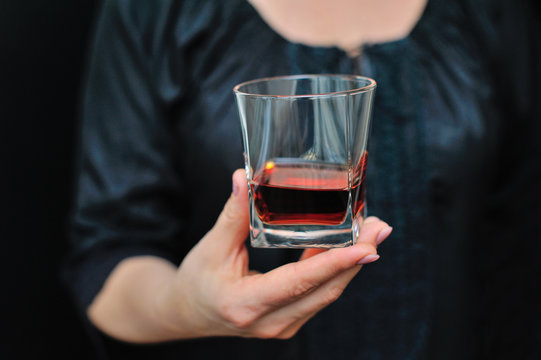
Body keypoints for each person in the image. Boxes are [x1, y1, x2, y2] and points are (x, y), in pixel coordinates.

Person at [63, 0, 541, 359]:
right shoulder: (158, 12)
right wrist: (190, 305)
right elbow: (109, 255)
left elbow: (518, 242)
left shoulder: (494, 13)